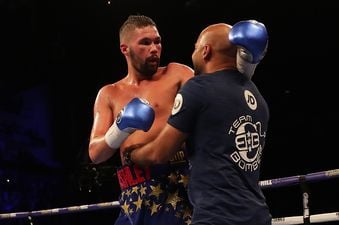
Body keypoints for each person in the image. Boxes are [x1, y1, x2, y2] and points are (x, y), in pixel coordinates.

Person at [123, 20, 272, 225]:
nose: (193, 53)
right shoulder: (257, 97)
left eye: (195, 47)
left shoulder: (198, 88)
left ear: (206, 51)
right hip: (258, 215)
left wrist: (132, 154)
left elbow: (159, 153)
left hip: (217, 216)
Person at [88, 15, 194, 225]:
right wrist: (121, 127)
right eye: (145, 43)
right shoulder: (109, 93)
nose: (154, 48)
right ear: (125, 49)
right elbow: (96, 154)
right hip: (134, 194)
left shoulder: (178, 74)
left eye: (157, 41)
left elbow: (210, 108)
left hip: (180, 184)